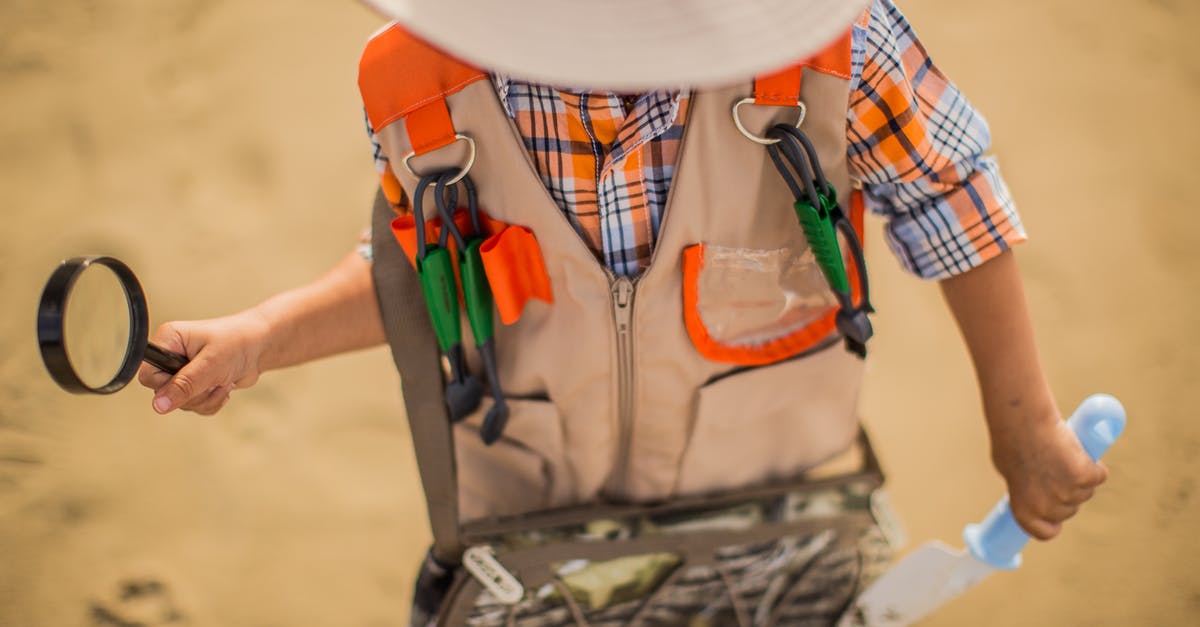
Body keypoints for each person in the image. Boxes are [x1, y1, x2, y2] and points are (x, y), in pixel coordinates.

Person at [138, 0, 1109, 624]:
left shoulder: (834, 44)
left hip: (775, 533)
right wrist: (265, 334)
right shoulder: (417, 79)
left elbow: (951, 190)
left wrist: (1021, 428)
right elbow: (424, 274)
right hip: (537, 547)